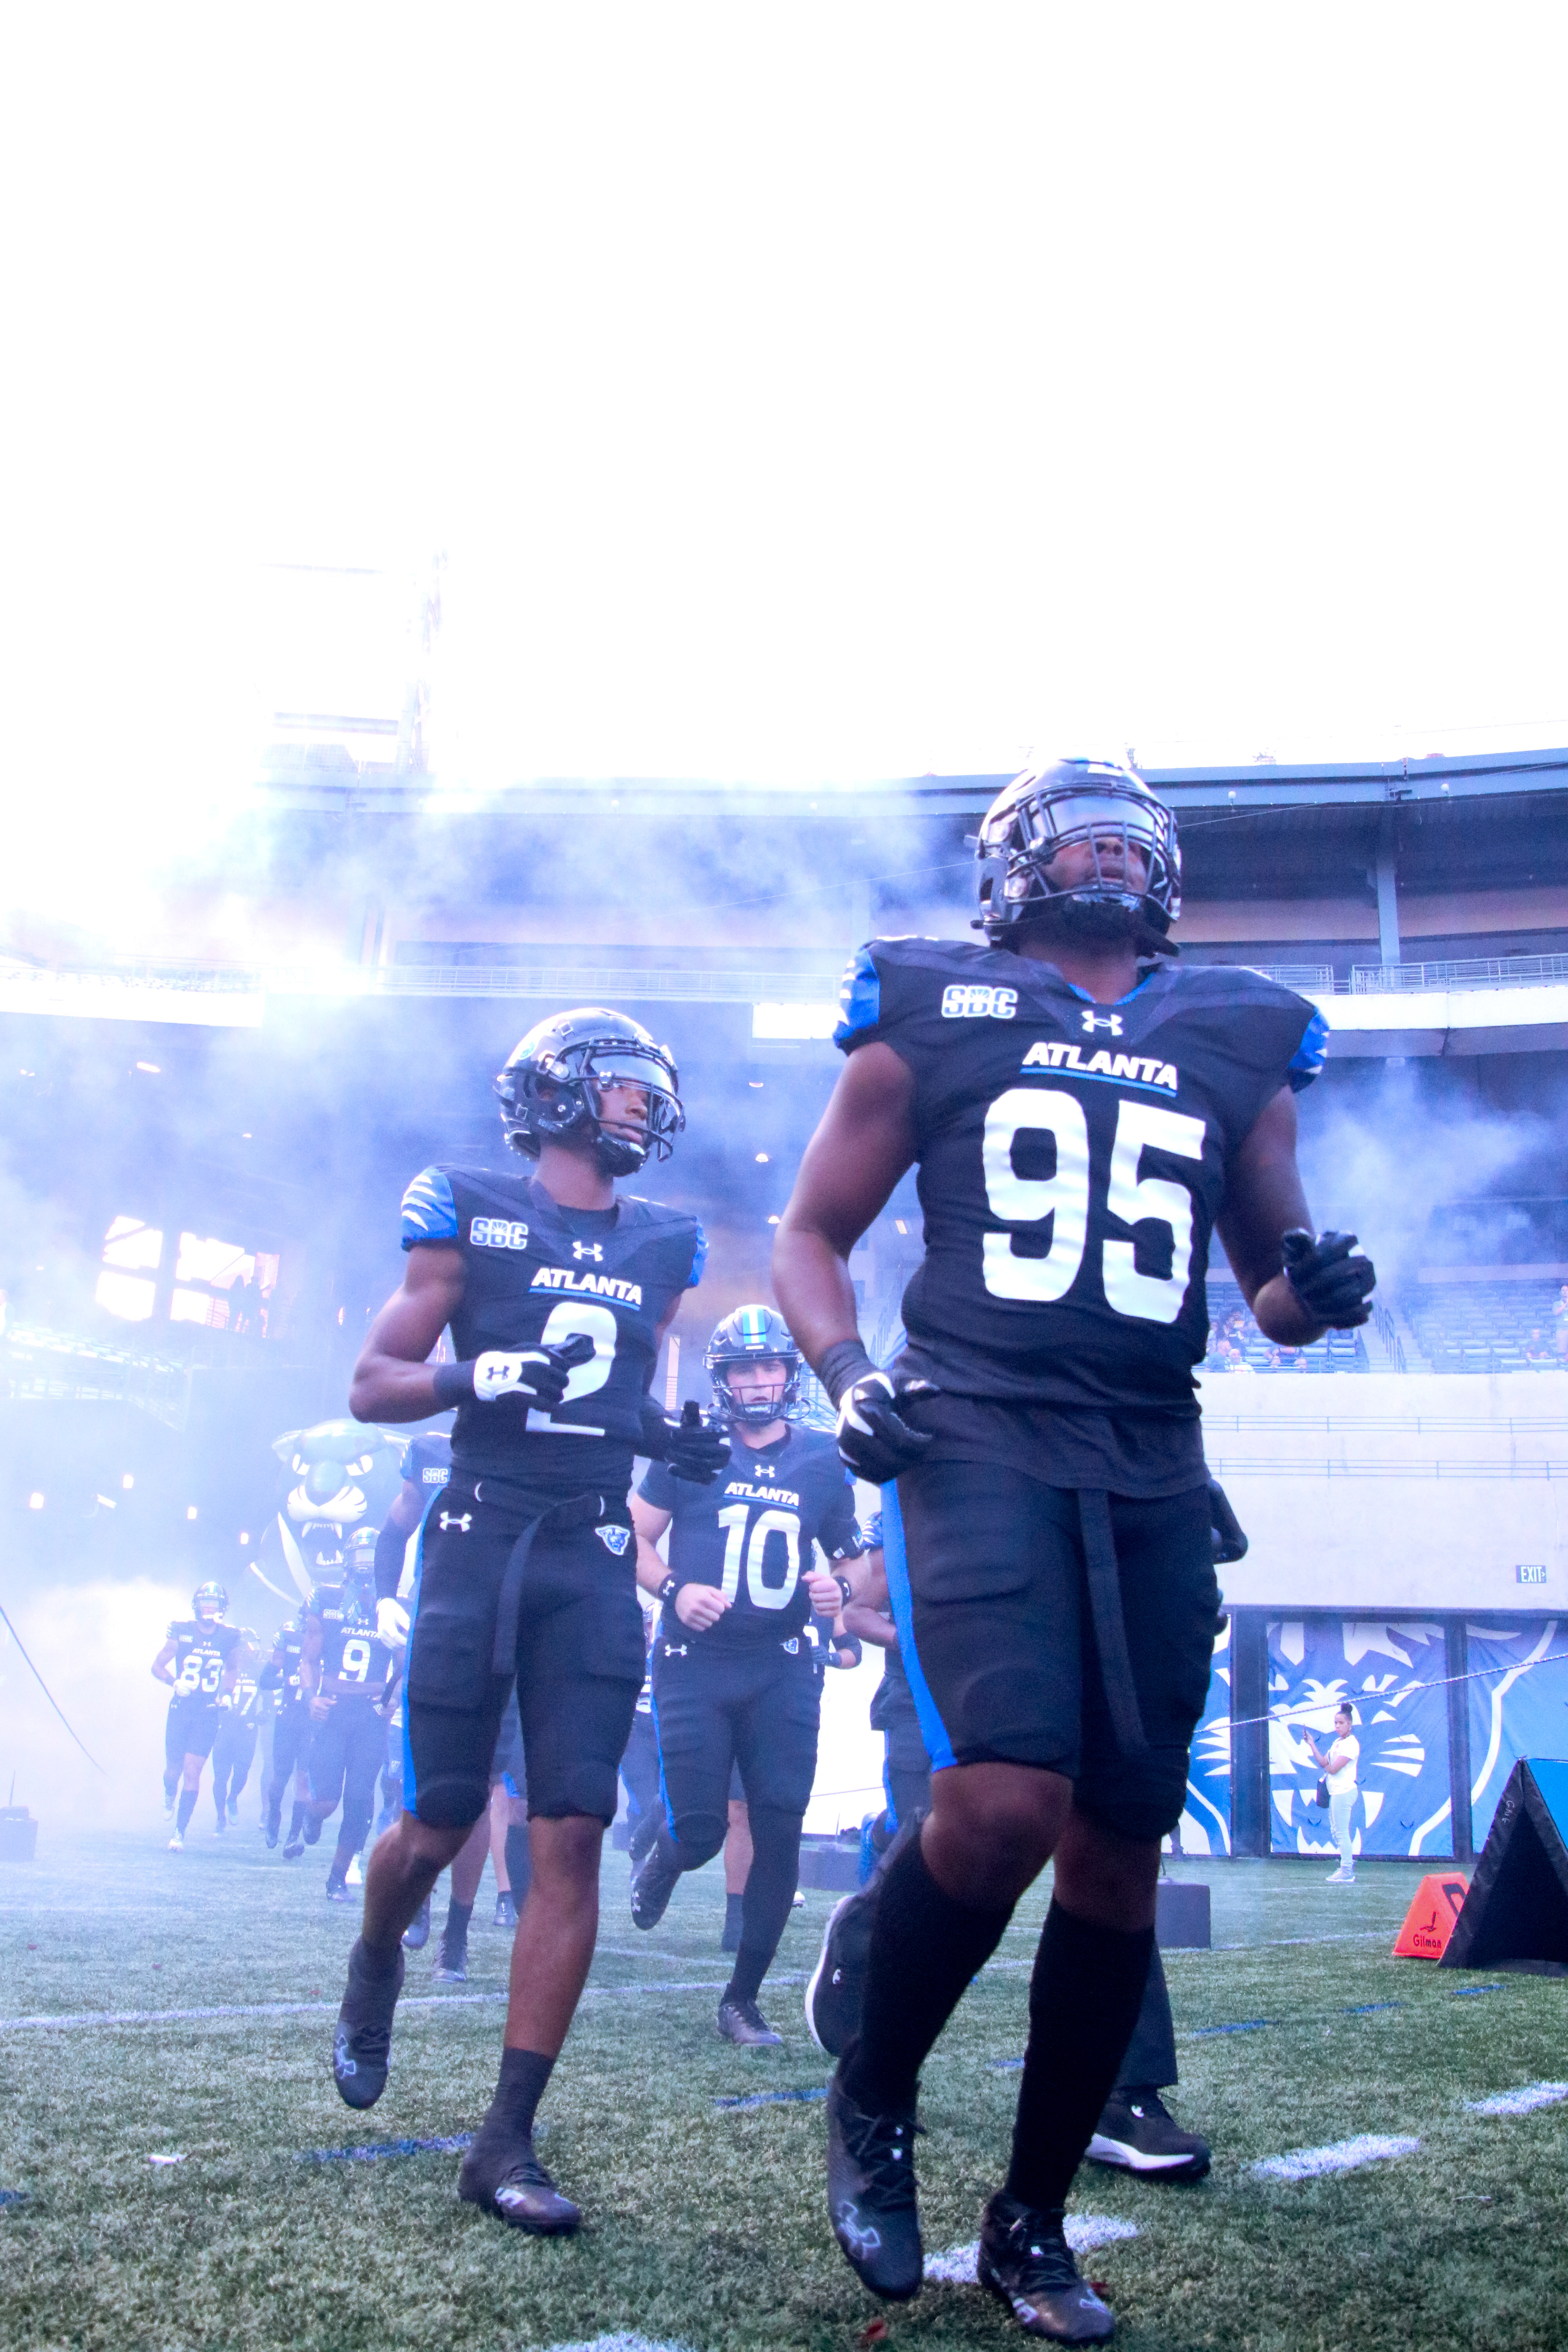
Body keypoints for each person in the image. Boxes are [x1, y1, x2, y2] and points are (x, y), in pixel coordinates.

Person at [773, 755, 1376, 2339]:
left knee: (1120, 1841)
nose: (1107, 846)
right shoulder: (935, 1008)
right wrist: (850, 1381)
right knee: (1006, 1794)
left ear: (1166, 872)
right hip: (975, 1430)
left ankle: (1033, 2215)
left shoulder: (1238, 1034)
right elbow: (809, 1234)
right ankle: (876, 2092)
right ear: (1013, 866)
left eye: (1133, 831)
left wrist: (1323, 1286)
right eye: (1076, 828)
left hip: (1151, 1455)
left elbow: (1270, 1291)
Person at [330, 1006, 726, 2238]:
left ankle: (505, 2139)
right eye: (619, 1087)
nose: (639, 1108)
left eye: (647, 1091)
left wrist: (672, 1438)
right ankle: (378, 1950)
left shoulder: (663, 1244)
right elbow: (370, 1385)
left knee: (572, 1832)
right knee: (438, 1824)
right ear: (554, 1093)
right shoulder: (467, 1206)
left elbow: (626, 1391)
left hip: (594, 1547)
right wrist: (469, 1375)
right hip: (479, 1535)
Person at [627, 1304, 864, 2044]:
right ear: (722, 1378)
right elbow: (628, 1533)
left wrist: (844, 1590)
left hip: (784, 1664)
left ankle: (742, 1999)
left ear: (789, 1375)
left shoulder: (824, 1457)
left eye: (770, 1367)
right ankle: (667, 1851)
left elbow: (851, 1553)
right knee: (701, 1830)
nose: (760, 1381)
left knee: (780, 1826)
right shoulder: (691, 1448)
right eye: (744, 1369)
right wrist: (671, 1589)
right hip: (695, 1664)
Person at [301, 1559, 401, 1902]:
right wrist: (311, 1698)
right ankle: (311, 1816)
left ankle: (337, 1878)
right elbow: (308, 1659)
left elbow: (406, 1664)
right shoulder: (326, 1600)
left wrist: (392, 1699)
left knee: (359, 1800)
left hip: (371, 1713)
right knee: (326, 1802)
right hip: (333, 1707)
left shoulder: (393, 1607)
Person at [151, 1583, 240, 1850]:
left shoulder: (230, 1636)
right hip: (182, 1710)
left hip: (208, 1713)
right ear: (197, 1605)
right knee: (173, 1771)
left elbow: (232, 1669)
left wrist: (227, 1693)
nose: (210, 1608)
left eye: (214, 1604)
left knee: (193, 1771)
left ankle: (179, 1833)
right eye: (206, 1603)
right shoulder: (182, 1630)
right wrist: (174, 1683)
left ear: (222, 1608)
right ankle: (169, 1792)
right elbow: (156, 1666)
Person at [260, 1616, 312, 1853]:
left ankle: (293, 1838)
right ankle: (274, 1817)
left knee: (303, 1779)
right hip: (289, 1716)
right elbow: (265, 1680)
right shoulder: (289, 1638)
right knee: (280, 1777)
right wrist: (286, 1680)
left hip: (312, 1719)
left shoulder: (331, 1642)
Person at [210, 1631, 262, 1831]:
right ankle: (220, 1816)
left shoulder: (258, 1672)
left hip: (247, 1729)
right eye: (251, 1647)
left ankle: (233, 1798)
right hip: (224, 1729)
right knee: (221, 1776)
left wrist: (264, 1713)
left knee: (242, 1771)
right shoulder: (223, 1670)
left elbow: (267, 1698)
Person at [1307, 1703, 1360, 1884]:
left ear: (1349, 1725)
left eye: (1341, 1723)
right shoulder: (1337, 1743)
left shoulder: (1352, 1744)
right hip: (1335, 1792)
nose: (1337, 1726)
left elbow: (1334, 1769)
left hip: (1344, 1792)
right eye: (1336, 1723)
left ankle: (1346, 1870)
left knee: (1342, 1832)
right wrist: (1312, 1744)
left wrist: (1328, 1768)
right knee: (1337, 1832)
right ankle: (1346, 1867)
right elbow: (1324, 1762)